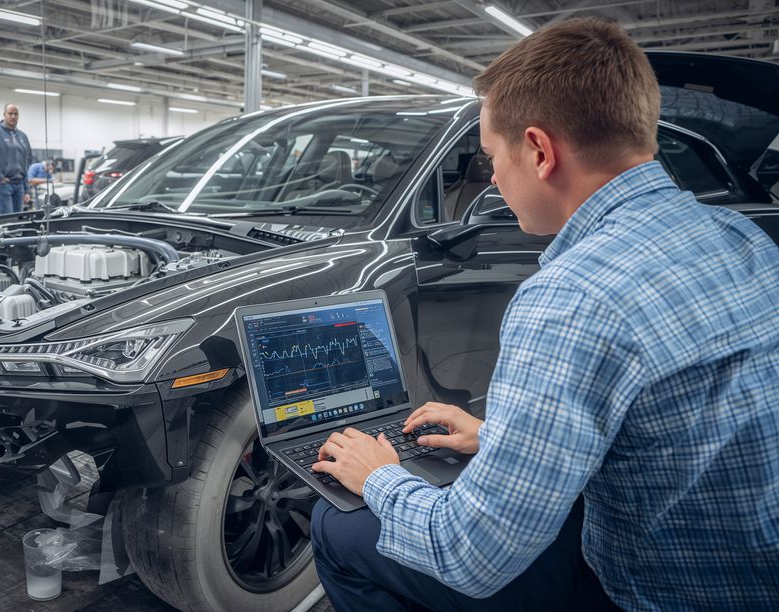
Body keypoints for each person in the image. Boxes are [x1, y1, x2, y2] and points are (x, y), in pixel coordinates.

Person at [308, 17, 779, 612]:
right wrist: (496, 438)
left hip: (660, 591)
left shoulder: (572, 295)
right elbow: (677, 420)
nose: (494, 178)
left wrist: (377, 474)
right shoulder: (742, 237)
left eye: (490, 157)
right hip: (751, 567)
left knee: (338, 526)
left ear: (538, 150)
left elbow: (468, 554)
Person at [0, 103, 32, 214]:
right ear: (4, 115)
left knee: (18, 220)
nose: (13, 116)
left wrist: (27, 189)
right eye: (10, 113)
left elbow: (27, 163)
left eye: (16, 114)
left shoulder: (23, 136)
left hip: (19, 185)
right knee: (8, 220)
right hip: (3, 185)